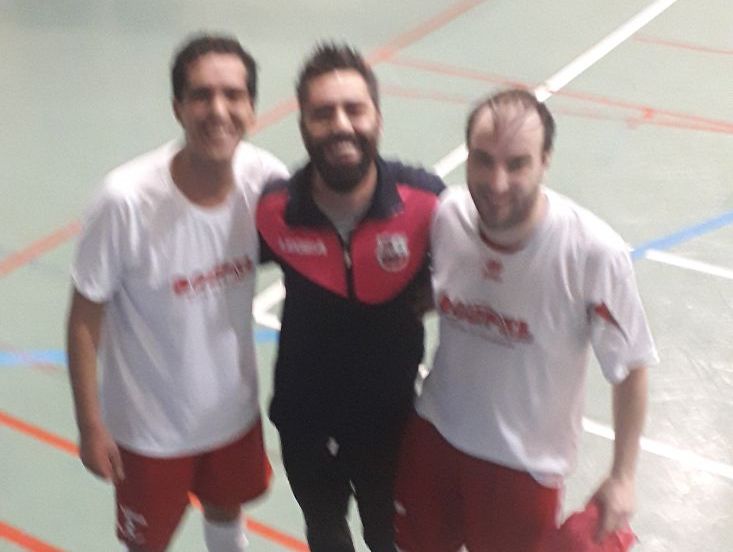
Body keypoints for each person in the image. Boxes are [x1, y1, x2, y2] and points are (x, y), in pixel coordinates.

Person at [393, 88, 658, 552]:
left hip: (523, 467)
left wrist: (623, 475)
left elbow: (631, 367)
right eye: (483, 160)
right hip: (435, 435)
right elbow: (460, 286)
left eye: (517, 164)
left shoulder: (592, 253)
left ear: (545, 162)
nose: (496, 183)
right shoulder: (449, 216)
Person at [66, 34, 288, 552]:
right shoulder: (124, 201)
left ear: (252, 108)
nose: (218, 110)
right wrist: (90, 424)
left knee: (226, 512)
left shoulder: (266, 181)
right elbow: (84, 318)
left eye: (233, 95)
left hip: (232, 413)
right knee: (147, 543)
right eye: (202, 95)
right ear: (178, 108)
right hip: (149, 432)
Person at [255, 43, 444, 552]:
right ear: (303, 125)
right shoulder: (276, 210)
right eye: (323, 113)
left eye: (354, 109)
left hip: (392, 426)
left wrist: (432, 294)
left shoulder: (425, 201)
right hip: (303, 421)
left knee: (389, 538)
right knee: (326, 534)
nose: (340, 125)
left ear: (377, 117)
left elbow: (476, 267)